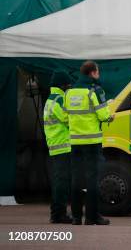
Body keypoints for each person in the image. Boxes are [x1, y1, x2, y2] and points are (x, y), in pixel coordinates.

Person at [64, 61, 113, 226]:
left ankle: (76, 217)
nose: (98, 74)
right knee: (93, 179)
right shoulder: (94, 91)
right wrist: (109, 116)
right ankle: (92, 217)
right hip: (92, 142)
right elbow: (103, 114)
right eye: (97, 71)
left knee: (76, 178)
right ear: (92, 73)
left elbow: (65, 117)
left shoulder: (69, 93)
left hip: (75, 142)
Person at [43, 70, 73, 224]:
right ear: (62, 85)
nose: (69, 88)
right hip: (63, 146)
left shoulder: (51, 99)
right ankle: (58, 215)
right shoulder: (59, 99)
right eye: (68, 85)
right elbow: (67, 118)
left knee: (59, 181)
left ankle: (57, 214)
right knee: (62, 182)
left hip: (56, 146)